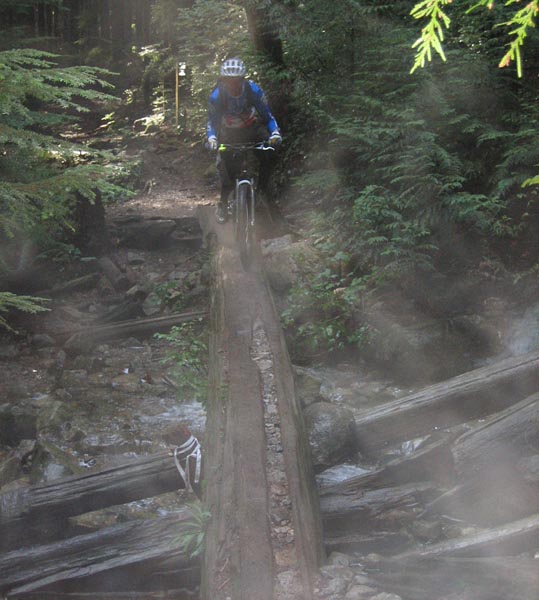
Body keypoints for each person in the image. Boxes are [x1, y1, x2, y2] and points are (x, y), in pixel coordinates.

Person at [206, 57, 282, 224]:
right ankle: (223, 203)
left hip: (251, 129)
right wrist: (211, 138)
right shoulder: (217, 96)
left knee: (270, 154)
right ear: (223, 80)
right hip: (228, 133)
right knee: (225, 168)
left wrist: (275, 133)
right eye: (229, 81)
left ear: (242, 79)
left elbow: (267, 116)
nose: (233, 85)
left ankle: (261, 190)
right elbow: (212, 121)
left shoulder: (253, 90)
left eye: (237, 81)